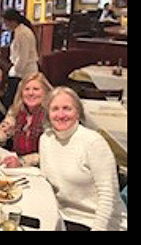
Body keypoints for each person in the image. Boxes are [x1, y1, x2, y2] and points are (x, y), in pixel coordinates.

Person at [39, 86, 127, 230]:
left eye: (67, 108)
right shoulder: (46, 139)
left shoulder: (93, 142)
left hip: (97, 221)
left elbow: (108, 197)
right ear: (48, 114)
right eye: (55, 109)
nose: (61, 115)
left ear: (78, 113)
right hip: (62, 216)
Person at [0, 71, 52, 167]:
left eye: (36, 89)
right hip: (15, 161)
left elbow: (49, 154)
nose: (30, 93)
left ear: (45, 92)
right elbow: (0, 132)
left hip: (39, 168)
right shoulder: (16, 110)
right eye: (26, 89)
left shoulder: (51, 115)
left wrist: (22, 162)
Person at [2, 8, 40, 78]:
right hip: (23, 70)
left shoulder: (22, 33)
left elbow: (23, 56)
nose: (5, 25)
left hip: (26, 72)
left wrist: (15, 71)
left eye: (5, 22)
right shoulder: (19, 31)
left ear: (13, 21)